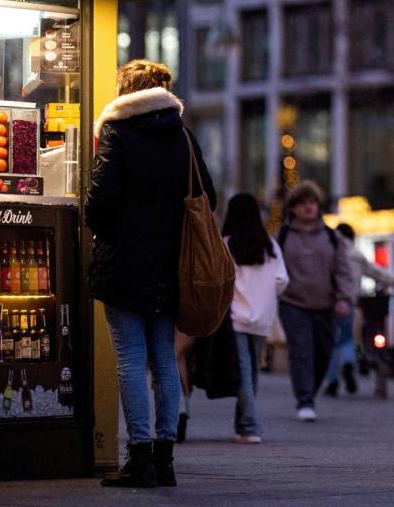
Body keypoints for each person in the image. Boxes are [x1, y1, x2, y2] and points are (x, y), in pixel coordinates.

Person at [87, 60, 217, 488]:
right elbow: (207, 196)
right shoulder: (182, 135)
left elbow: (100, 200)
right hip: (171, 265)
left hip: (124, 262)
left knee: (129, 359)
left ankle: (137, 456)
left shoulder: (117, 132)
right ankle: (165, 460)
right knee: (163, 357)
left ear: (125, 89)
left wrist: (112, 235)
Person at [277, 181, 358, 422]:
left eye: (312, 202)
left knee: (323, 352)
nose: (308, 207)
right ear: (293, 208)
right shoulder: (282, 237)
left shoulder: (332, 237)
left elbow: (343, 271)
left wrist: (344, 298)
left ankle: (309, 391)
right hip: (292, 303)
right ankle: (304, 399)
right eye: (302, 203)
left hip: (326, 304)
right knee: (301, 350)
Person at [223, 193, 289, 443]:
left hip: (235, 315)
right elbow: (282, 280)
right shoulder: (270, 246)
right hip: (263, 317)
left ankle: (249, 425)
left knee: (242, 369)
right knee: (252, 371)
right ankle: (243, 424)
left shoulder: (226, 243)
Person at [323, 222, 394, 398]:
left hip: (329, 302)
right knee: (347, 337)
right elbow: (374, 272)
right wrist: (393, 279)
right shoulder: (356, 255)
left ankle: (332, 381)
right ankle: (349, 362)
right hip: (349, 302)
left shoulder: (329, 252)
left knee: (332, 340)